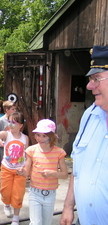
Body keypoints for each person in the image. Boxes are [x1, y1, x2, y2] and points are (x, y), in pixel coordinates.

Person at [60, 46, 108, 225]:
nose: (89, 85)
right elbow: (79, 168)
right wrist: (67, 206)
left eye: (96, 79)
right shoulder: (89, 114)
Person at [0, 112, 29, 225]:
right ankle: (6, 203)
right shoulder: (6, 134)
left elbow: (27, 155)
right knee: (5, 192)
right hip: (7, 168)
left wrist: (26, 169)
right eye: (10, 122)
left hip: (20, 171)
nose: (11, 124)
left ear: (21, 125)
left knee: (18, 195)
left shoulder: (25, 138)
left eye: (14, 122)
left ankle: (16, 218)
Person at [22, 119, 68, 225]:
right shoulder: (31, 150)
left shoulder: (59, 152)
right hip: (34, 193)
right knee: (35, 223)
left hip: (50, 194)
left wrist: (52, 173)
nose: (40, 138)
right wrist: (21, 171)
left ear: (51, 137)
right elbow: (26, 172)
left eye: (44, 136)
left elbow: (65, 175)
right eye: (38, 135)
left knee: (46, 223)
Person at [0, 100, 17, 170]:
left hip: (11, 141)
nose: (15, 110)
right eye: (13, 109)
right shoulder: (1, 120)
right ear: (7, 110)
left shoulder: (15, 119)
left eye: (15, 109)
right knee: (0, 154)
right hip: (3, 141)